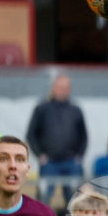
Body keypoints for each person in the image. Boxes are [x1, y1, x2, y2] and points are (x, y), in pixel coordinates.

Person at [26, 74, 87, 202]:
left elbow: (84, 136)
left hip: (71, 162)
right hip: (49, 162)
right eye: (60, 87)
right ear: (54, 88)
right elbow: (31, 134)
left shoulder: (76, 110)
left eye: (66, 87)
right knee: (44, 198)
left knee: (76, 201)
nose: (63, 90)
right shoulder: (42, 108)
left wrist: (79, 156)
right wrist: (40, 155)